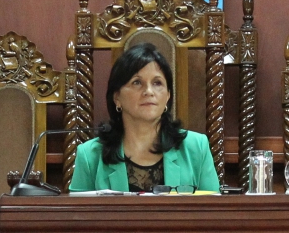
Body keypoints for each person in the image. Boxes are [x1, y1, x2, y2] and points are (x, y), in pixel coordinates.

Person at [69, 43, 221, 193]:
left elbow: (214, 214)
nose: (149, 91)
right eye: (137, 82)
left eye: (157, 83)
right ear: (117, 97)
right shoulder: (90, 156)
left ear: (168, 96)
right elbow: (76, 216)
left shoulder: (196, 148)